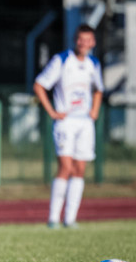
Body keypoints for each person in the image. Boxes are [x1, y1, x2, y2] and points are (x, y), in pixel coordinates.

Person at [33, 24, 103, 229]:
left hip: (85, 122)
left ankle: (70, 219)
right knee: (65, 167)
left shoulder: (93, 63)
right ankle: (53, 218)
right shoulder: (62, 60)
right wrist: (52, 112)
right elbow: (39, 85)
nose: (84, 43)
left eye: (88, 39)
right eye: (81, 39)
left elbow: (98, 89)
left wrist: (95, 110)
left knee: (80, 169)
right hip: (66, 122)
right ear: (75, 40)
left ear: (93, 42)